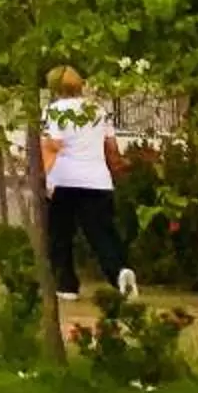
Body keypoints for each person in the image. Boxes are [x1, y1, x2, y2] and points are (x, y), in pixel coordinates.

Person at [41, 66, 136, 303]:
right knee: (102, 233)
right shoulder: (98, 111)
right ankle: (119, 272)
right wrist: (119, 167)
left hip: (63, 180)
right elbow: (112, 150)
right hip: (97, 181)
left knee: (61, 234)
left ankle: (66, 285)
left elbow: (51, 146)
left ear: (53, 87)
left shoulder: (53, 111)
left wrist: (45, 178)